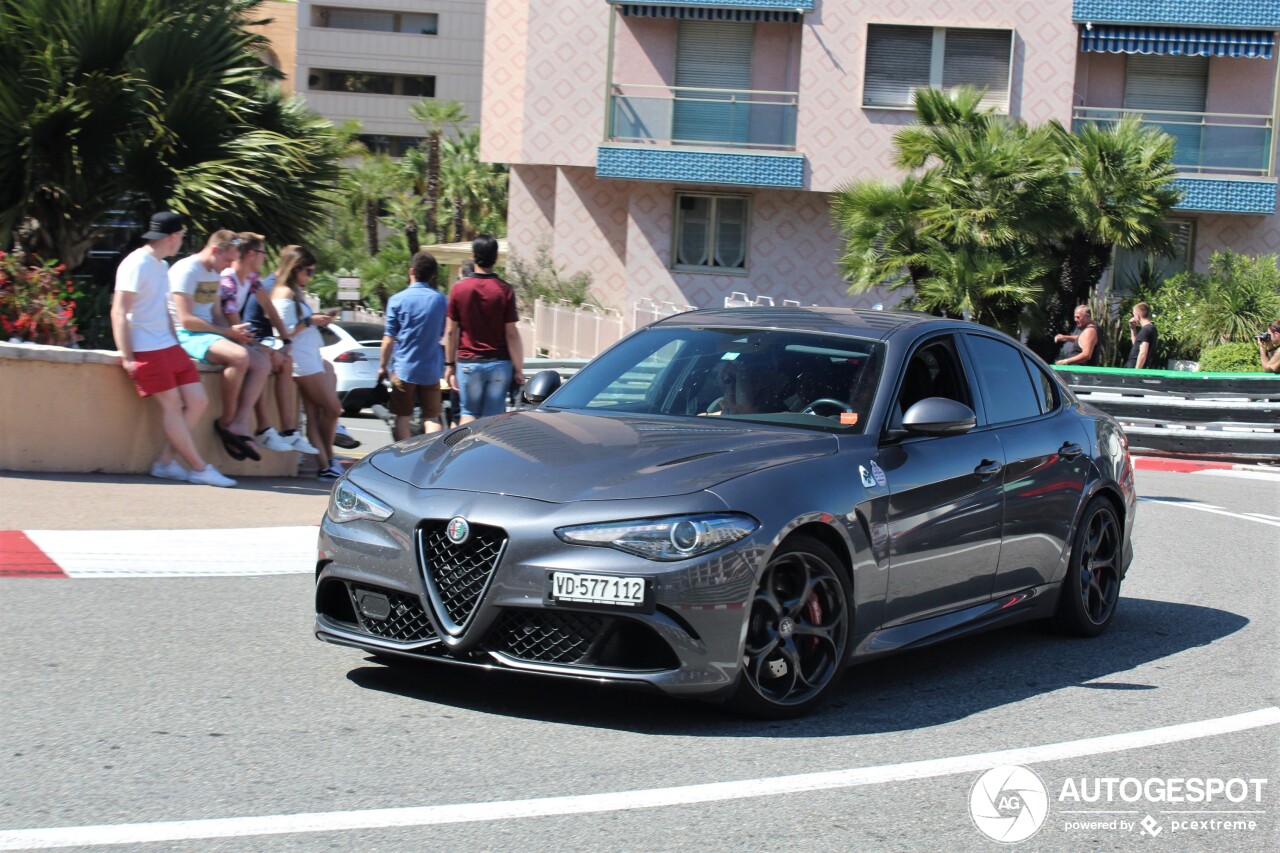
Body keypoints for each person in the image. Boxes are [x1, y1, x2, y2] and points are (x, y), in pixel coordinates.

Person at [110, 211, 235, 487]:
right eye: (181, 236)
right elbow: (119, 311)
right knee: (173, 406)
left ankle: (165, 462)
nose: (181, 242)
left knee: (198, 401)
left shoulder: (161, 265)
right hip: (145, 349)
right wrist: (128, 355)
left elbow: (163, 310)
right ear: (173, 237)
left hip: (169, 345)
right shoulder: (136, 264)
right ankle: (200, 468)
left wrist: (177, 343)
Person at [169, 231, 318, 460]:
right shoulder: (193, 271)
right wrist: (230, 334)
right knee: (241, 357)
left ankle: (243, 423)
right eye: (228, 260)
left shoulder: (220, 274)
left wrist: (254, 340)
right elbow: (187, 320)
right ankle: (230, 422)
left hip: (210, 332)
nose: (229, 265)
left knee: (260, 362)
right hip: (186, 333)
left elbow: (219, 314)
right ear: (217, 251)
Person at [219, 232, 301, 459]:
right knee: (264, 361)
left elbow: (270, 309)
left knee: (282, 360)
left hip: (238, 337)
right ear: (252, 254)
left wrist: (285, 340)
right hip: (224, 335)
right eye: (263, 253)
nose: (265, 258)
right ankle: (252, 425)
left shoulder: (252, 279)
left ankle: (276, 429)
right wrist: (262, 347)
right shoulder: (228, 280)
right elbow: (233, 324)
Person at [270, 246, 346, 480]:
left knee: (314, 414)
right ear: (296, 269)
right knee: (333, 409)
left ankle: (326, 464)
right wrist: (310, 320)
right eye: (309, 271)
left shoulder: (294, 292)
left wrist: (313, 321)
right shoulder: (283, 294)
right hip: (302, 361)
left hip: (310, 357)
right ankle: (328, 460)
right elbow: (282, 332)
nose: (310, 276)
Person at [443, 235, 524, 423]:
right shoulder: (505, 290)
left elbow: (450, 332)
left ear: (473, 255)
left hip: (468, 363)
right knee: (493, 419)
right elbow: (511, 334)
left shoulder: (459, 289)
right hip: (499, 364)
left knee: (468, 412)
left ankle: (464, 452)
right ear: (495, 258)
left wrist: (449, 366)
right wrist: (518, 369)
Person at [378, 251, 448, 441]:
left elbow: (388, 338)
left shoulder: (397, 300)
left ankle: (404, 459)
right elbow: (442, 333)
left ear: (411, 271)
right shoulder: (441, 299)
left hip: (404, 368)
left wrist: (382, 366)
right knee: (432, 417)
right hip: (431, 369)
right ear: (432, 276)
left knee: (403, 417)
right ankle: (431, 457)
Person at [1125, 302, 1158, 370]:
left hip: (1134, 366)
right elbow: (1137, 345)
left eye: (1134, 315)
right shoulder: (1152, 328)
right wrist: (1133, 329)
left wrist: (1137, 372)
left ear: (1137, 316)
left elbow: (1143, 353)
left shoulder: (1145, 330)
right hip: (1141, 366)